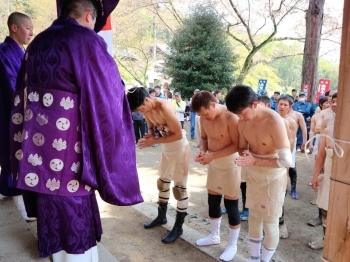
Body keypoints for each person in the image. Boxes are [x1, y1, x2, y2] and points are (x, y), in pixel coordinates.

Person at [9, 1, 143, 260]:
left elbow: (22, 95)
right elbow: (108, 93)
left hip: (40, 150)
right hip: (71, 150)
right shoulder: (85, 40)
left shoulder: (37, 43)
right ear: (89, 16)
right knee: (73, 208)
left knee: (51, 205)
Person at [226, 85, 293, 262]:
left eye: (242, 113)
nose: (240, 118)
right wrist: (245, 155)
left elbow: (287, 161)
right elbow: (241, 147)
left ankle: (265, 260)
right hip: (254, 173)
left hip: (274, 176)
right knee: (254, 217)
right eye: (237, 114)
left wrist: (255, 160)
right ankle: (254, 258)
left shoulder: (274, 121)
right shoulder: (241, 121)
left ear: (255, 104)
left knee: (270, 223)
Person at [127, 87, 190, 244]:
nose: (142, 112)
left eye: (141, 109)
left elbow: (178, 134)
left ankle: (178, 226)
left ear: (147, 100)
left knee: (179, 188)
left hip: (180, 148)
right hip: (166, 149)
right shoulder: (147, 109)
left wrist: (154, 141)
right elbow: (151, 127)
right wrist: (149, 137)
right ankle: (162, 216)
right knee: (162, 183)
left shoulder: (165, 107)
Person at [191, 91, 241, 262]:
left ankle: (232, 245)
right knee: (213, 200)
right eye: (201, 115)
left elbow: (237, 145)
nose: (205, 117)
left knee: (231, 204)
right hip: (213, 162)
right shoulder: (202, 118)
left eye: (205, 113)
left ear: (213, 104)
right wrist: (203, 152)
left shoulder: (231, 117)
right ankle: (214, 236)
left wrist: (212, 156)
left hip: (230, 164)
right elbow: (204, 138)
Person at [0, 12, 36, 222]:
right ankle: (17, 194)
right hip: (9, 112)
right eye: (28, 28)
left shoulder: (21, 52)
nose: (31, 33)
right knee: (13, 154)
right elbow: (11, 86)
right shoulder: (4, 52)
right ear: (15, 28)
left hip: (21, 110)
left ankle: (11, 188)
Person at [309, 92, 337, 250]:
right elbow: (320, 155)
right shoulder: (327, 124)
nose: (335, 105)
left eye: (340, 102)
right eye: (333, 101)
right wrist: (315, 176)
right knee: (325, 209)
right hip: (328, 174)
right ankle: (326, 238)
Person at [307, 96, 330, 227]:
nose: (332, 103)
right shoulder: (322, 115)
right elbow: (316, 129)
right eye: (330, 100)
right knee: (322, 184)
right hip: (323, 147)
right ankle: (320, 216)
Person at [288, 95, 307, 199]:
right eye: (280, 104)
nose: (283, 107)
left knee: (292, 165)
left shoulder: (297, 115)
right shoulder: (278, 115)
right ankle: (282, 186)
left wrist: (304, 143)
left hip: (292, 142)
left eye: (285, 104)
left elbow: (304, 129)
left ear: (292, 105)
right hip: (279, 142)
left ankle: (293, 188)